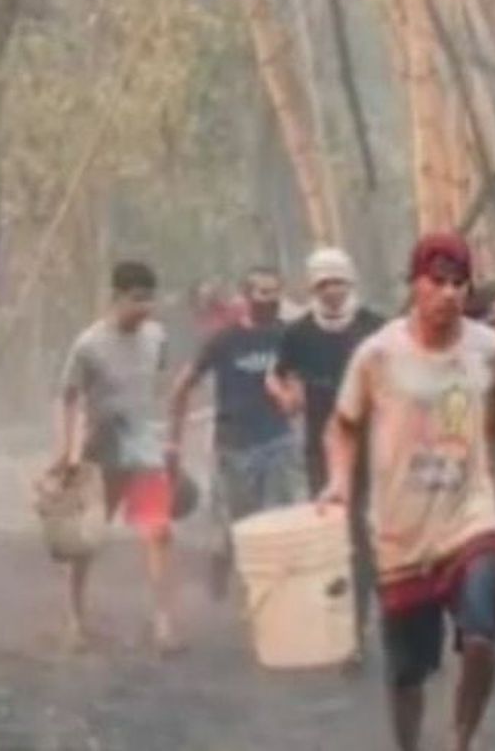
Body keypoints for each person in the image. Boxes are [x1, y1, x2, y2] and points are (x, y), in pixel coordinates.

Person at [319, 233, 495, 751]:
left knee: (482, 636)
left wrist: (493, 463)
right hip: (400, 530)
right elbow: (342, 426)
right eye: (438, 281)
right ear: (415, 285)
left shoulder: (488, 348)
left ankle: (461, 740)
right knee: (408, 673)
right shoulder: (378, 354)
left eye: (460, 282)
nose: (450, 293)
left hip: (470, 514)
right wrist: (339, 482)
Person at [267, 247, 384, 664]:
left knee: (371, 534)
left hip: (374, 444)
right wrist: (286, 397)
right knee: (338, 537)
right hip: (322, 447)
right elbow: (275, 374)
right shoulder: (298, 333)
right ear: (312, 287)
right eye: (323, 284)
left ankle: (377, 619)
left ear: (350, 282)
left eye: (338, 282)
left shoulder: (374, 327)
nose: (332, 291)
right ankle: (347, 629)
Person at [56, 261, 178, 653]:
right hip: (101, 448)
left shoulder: (157, 337)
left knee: (157, 532)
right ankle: (75, 620)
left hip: (144, 448)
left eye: (149, 300)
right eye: (137, 299)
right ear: (117, 297)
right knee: (86, 538)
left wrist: (168, 437)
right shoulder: (89, 344)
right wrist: (68, 451)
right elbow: (68, 397)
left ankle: (162, 623)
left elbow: (158, 384)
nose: (144, 308)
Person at [169, 264, 299, 594]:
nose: (268, 299)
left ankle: (267, 592)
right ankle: (221, 575)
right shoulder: (225, 340)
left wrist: (292, 400)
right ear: (246, 296)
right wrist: (174, 441)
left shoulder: (289, 337)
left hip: (277, 441)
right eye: (262, 292)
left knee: (277, 522)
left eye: (274, 292)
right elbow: (182, 386)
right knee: (235, 527)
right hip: (233, 446)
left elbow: (303, 385)